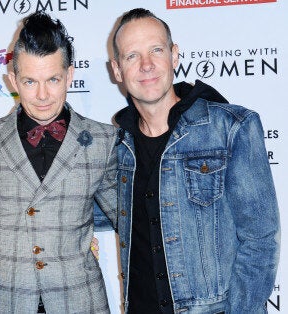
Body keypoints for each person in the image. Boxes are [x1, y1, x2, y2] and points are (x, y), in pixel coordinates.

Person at [110, 8, 280, 313]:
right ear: (117, 70)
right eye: (132, 56)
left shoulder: (231, 128)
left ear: (175, 56)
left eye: (156, 50)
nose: (146, 65)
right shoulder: (117, 147)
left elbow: (261, 240)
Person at [0, 11, 118, 314]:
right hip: (10, 300)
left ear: (70, 75)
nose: (42, 95)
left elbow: (131, 219)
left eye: (53, 79)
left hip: (79, 299)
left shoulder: (103, 140)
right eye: (29, 81)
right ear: (12, 80)